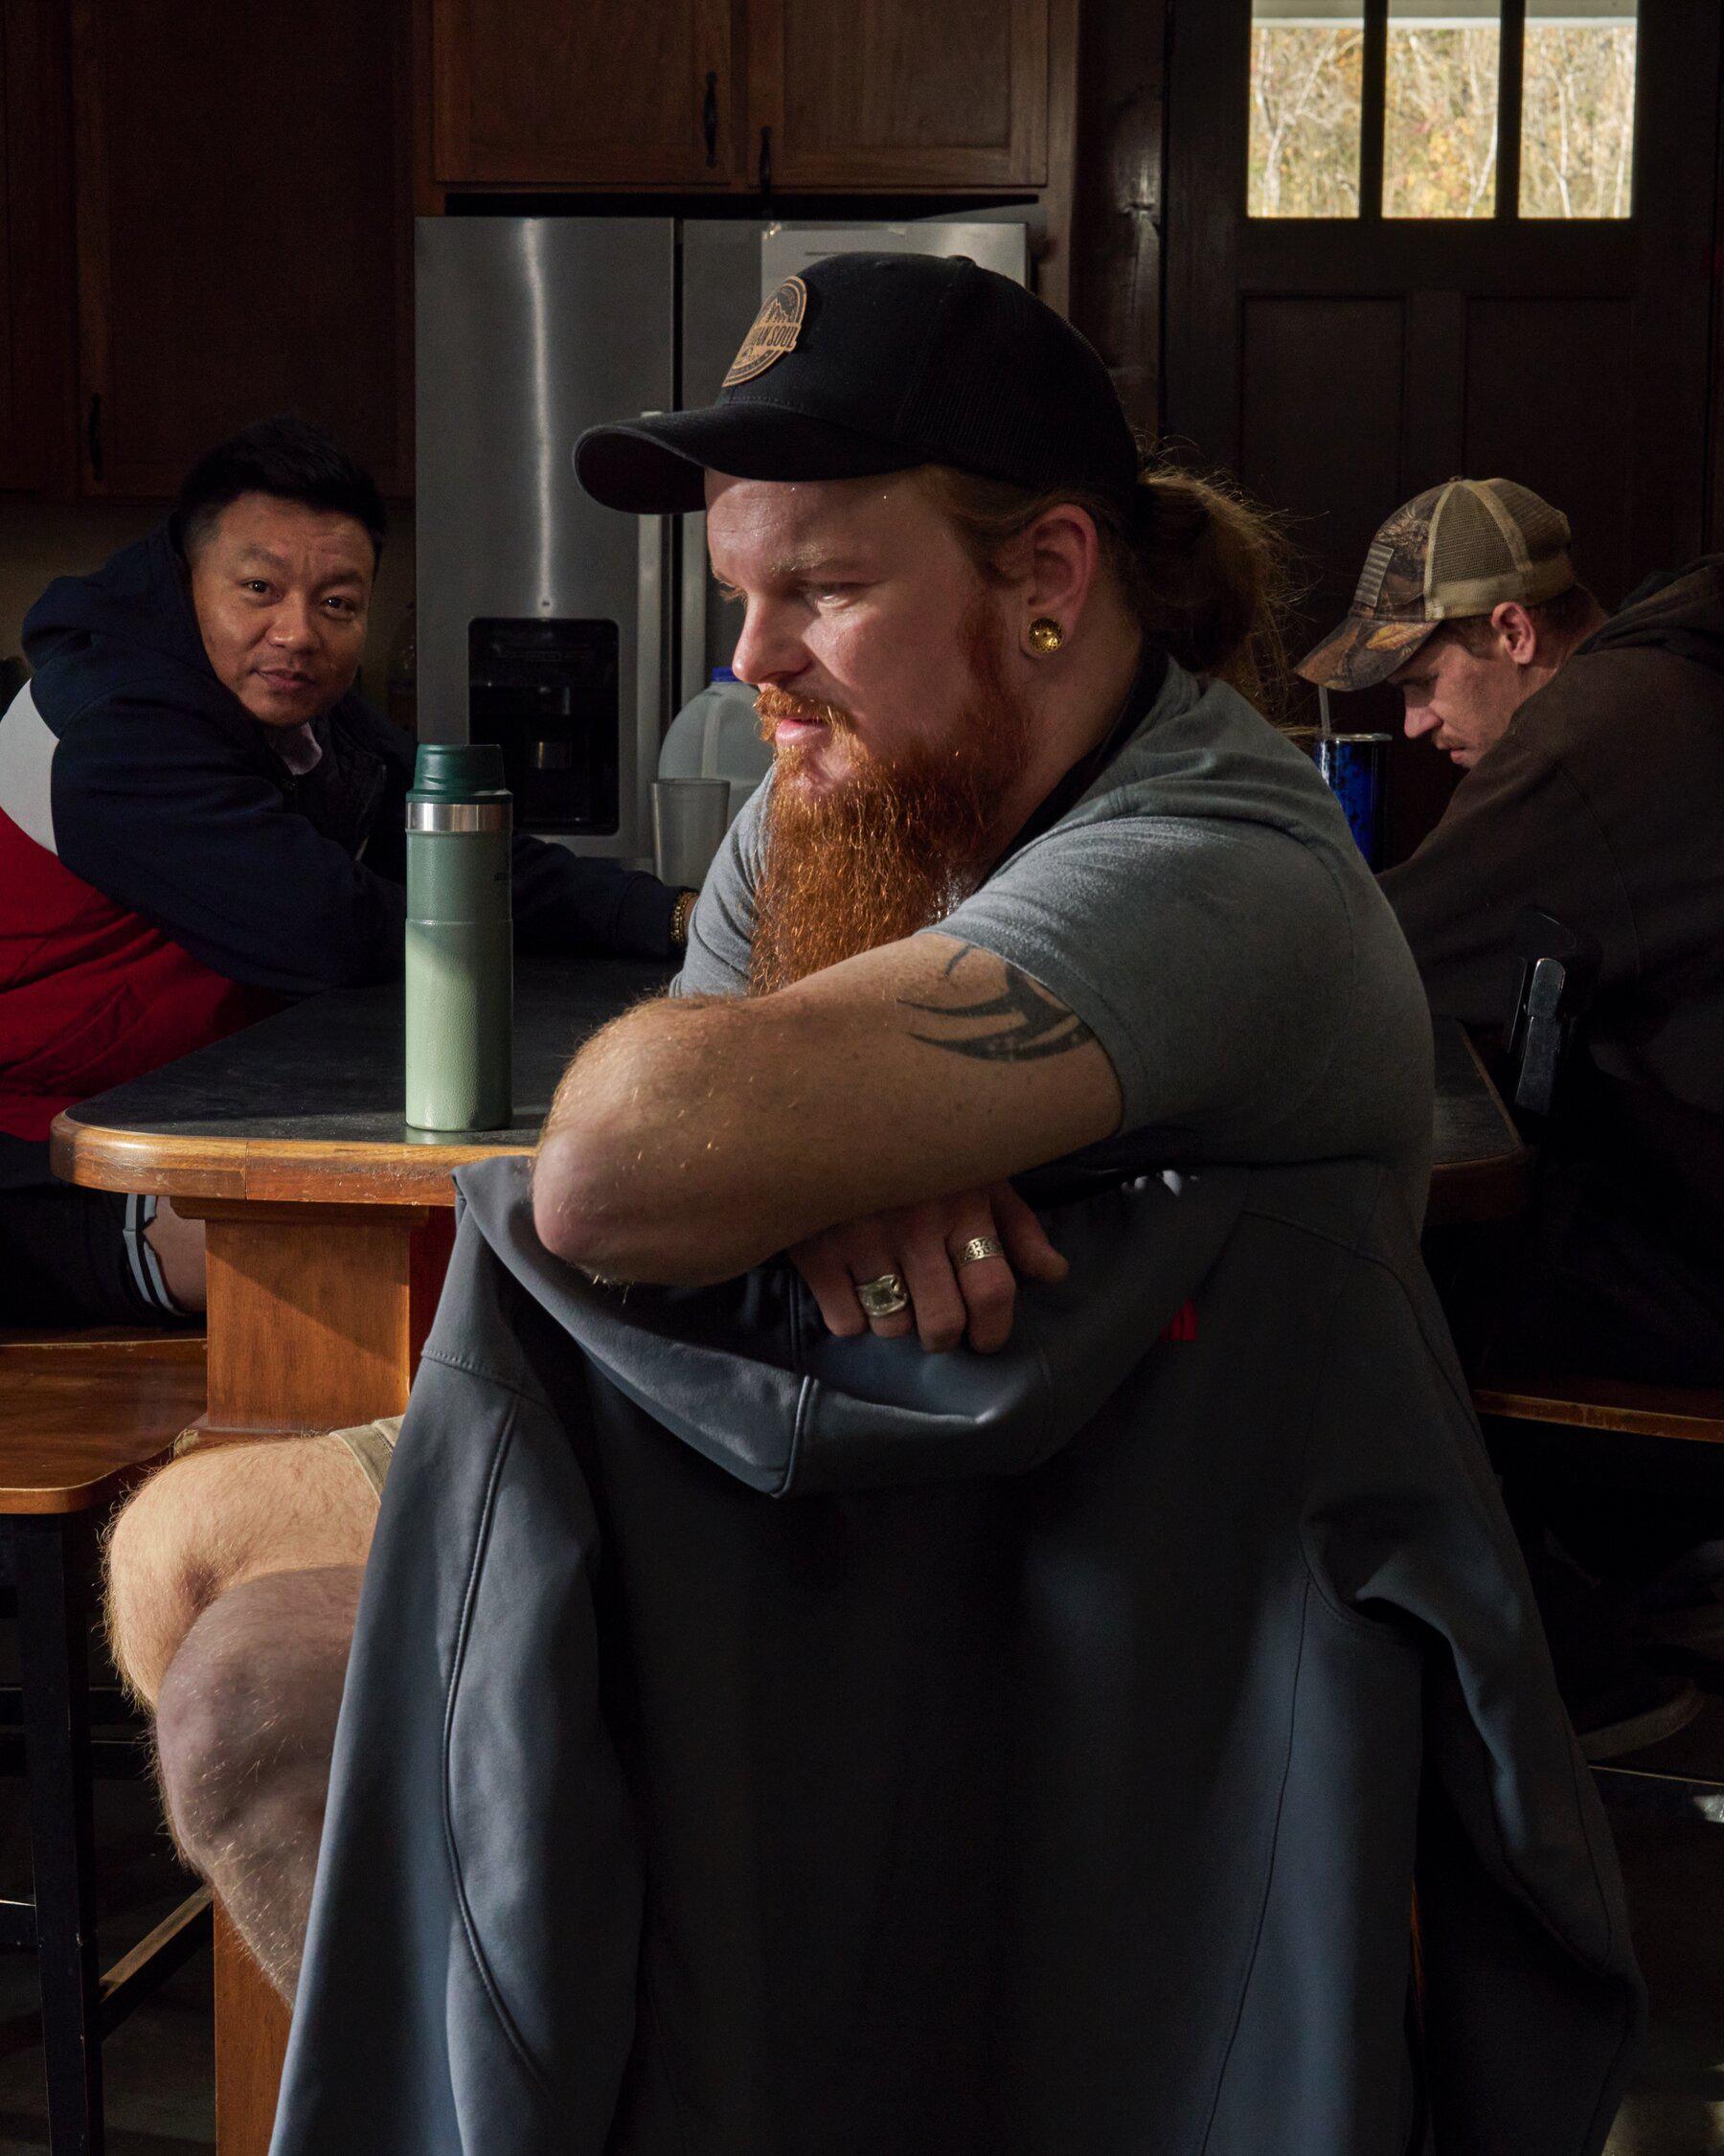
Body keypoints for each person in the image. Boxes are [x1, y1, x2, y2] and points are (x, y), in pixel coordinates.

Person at [109, 263, 1639, 2149]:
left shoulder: (1213, 867)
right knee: (182, 1558)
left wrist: (790, 1141)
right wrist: (822, 1152)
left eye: (821, 591)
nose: (749, 667)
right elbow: (690, 1173)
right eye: (742, 595)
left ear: (1051, 575)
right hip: (802, 1491)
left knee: (285, 1692)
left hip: (1070, 1627)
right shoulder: (833, 813)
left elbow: (612, 1166)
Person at [0, 416, 692, 1327]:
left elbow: (480, 861)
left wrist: (689, 914)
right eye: (259, 588)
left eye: (336, 603)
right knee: (403, 1257)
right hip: (43, 1152)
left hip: (185, 1104)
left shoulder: (294, 713)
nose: (297, 632)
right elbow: (331, 931)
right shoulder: (109, 738)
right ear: (185, 581)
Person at [1300, 478, 1724, 1752]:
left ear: (1514, 634)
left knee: (1392, 1288)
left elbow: (1377, 962)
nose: (1418, 719)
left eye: (1427, 675)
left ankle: (1573, 1668)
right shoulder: (1666, 679)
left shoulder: (1594, 740)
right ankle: (1625, 1587)